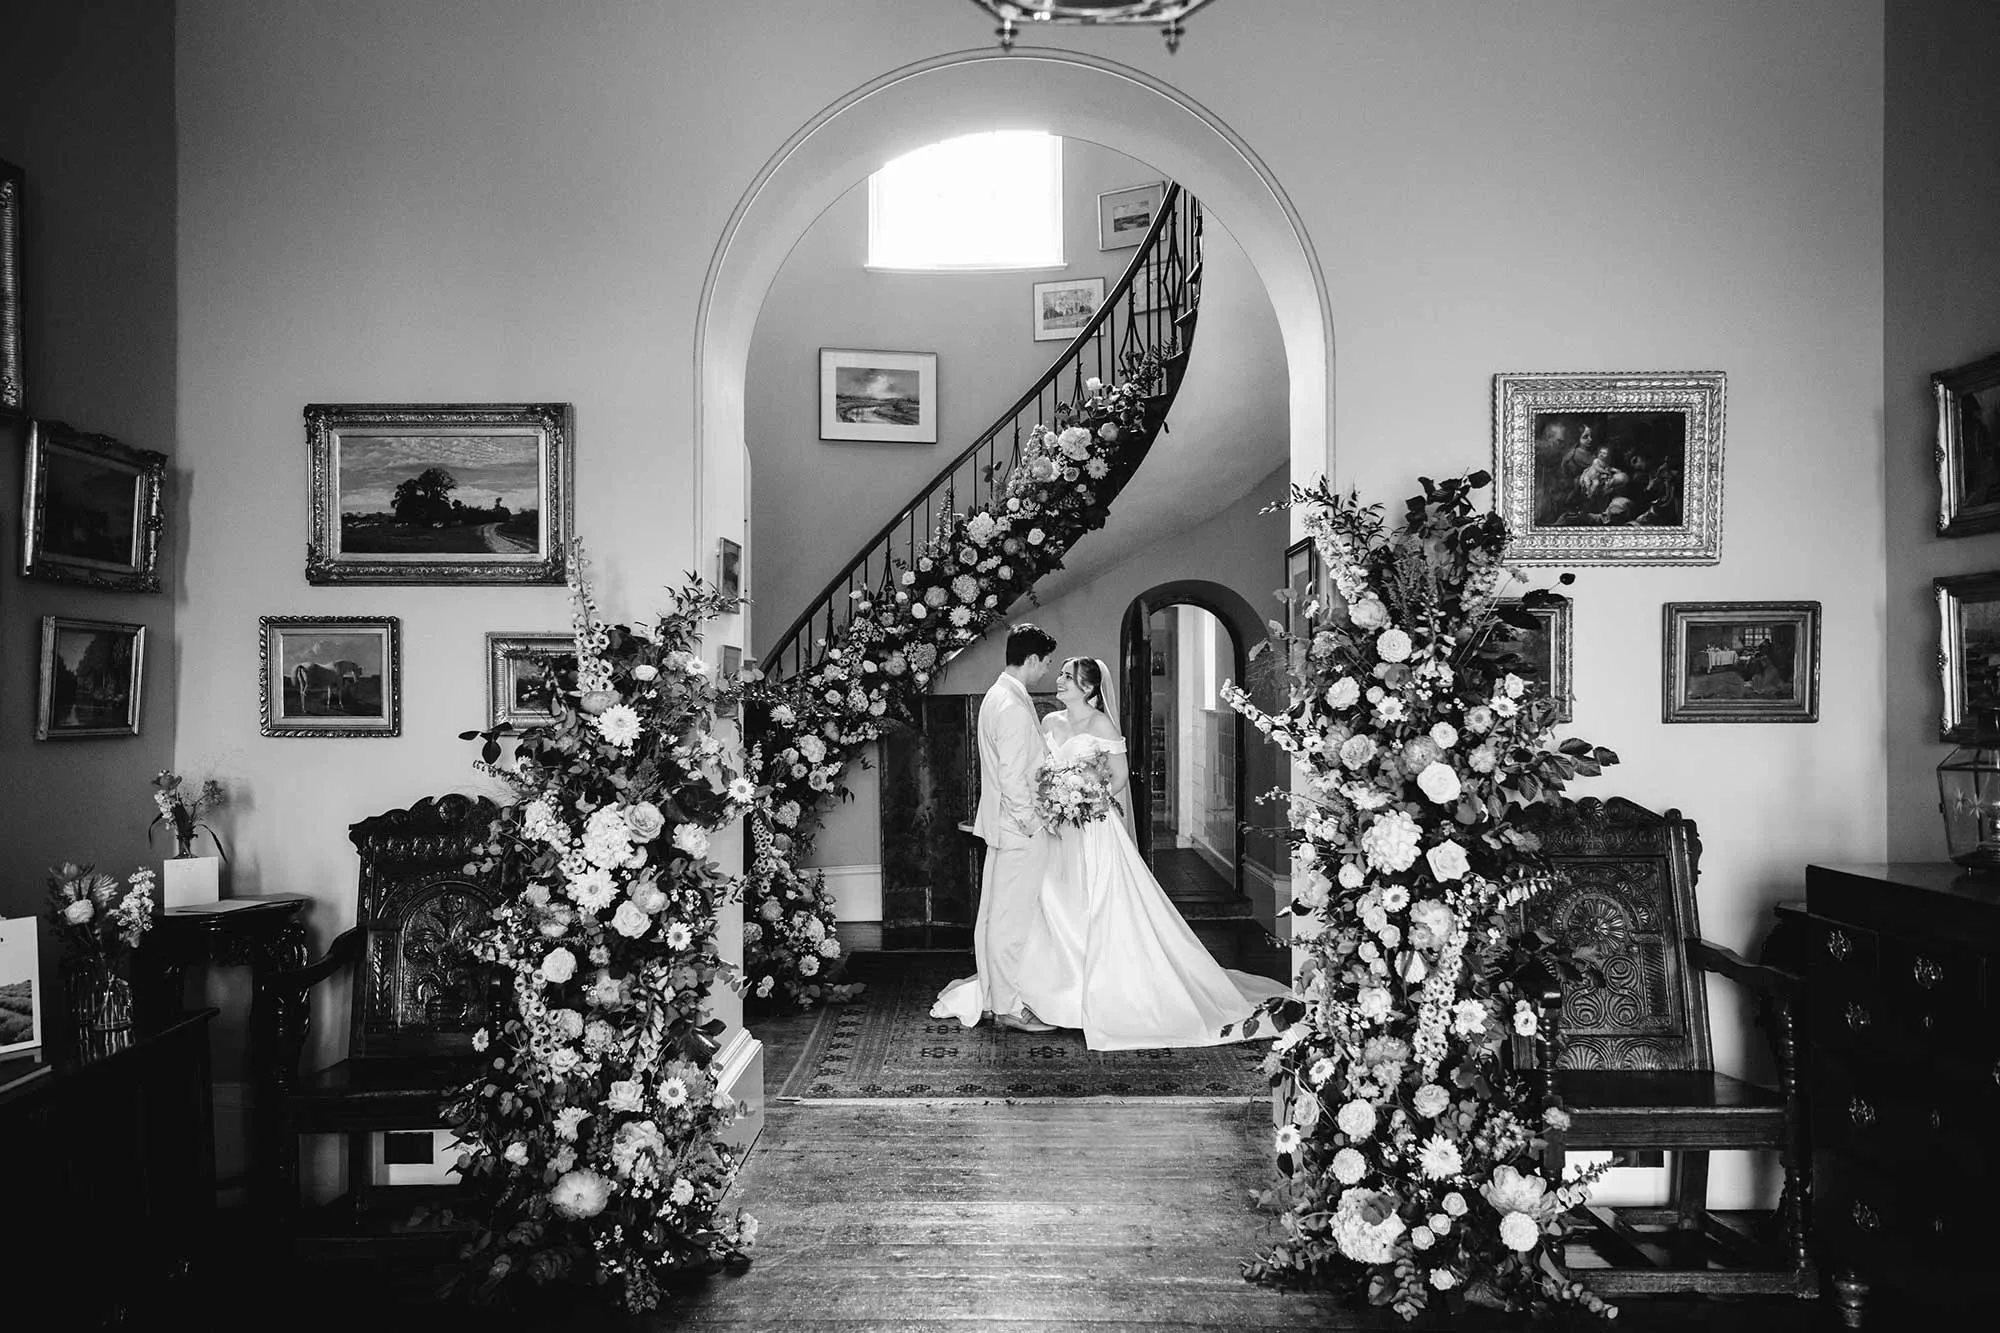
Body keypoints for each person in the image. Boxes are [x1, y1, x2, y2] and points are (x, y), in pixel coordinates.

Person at [1007, 656, 1290, 1050]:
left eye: (1068, 678)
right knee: (1052, 902)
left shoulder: (1100, 724)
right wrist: (1053, 797)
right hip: (1058, 830)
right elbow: (1040, 771)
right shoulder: (1050, 722)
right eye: (1060, 675)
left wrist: (1085, 796)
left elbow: (1118, 777)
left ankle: (1097, 992)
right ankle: (1050, 990)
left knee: (1095, 902)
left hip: (1092, 827)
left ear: (1088, 689)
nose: (1059, 681)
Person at [932, 623, 1061, 1033]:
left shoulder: (998, 695)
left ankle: (992, 997)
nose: (1047, 670)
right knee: (1010, 922)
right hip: (1018, 830)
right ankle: (1007, 1006)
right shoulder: (1010, 705)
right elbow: (1011, 777)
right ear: (1034, 659)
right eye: (1047, 662)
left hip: (1003, 828)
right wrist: (1030, 823)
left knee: (994, 916)